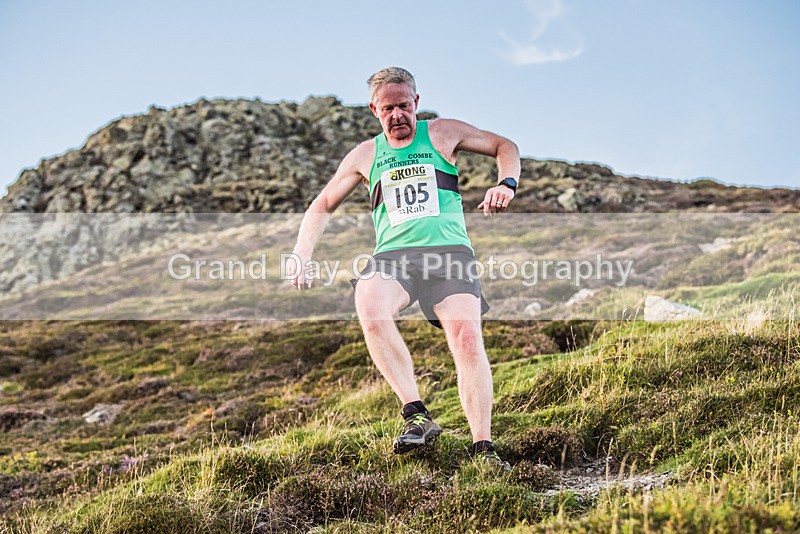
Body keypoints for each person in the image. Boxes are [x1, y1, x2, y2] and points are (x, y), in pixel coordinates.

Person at [287, 67, 520, 469]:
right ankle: (416, 415)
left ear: (416, 101)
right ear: (374, 109)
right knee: (370, 303)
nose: (397, 115)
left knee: (466, 337)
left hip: (449, 255)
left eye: (403, 105)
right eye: (388, 108)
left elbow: (505, 145)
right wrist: (301, 253)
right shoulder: (365, 155)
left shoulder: (443, 133)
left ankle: (483, 448)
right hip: (395, 257)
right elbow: (323, 203)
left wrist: (506, 183)